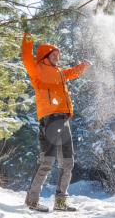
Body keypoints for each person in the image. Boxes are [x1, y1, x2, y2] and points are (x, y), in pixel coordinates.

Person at [21, 33, 91, 212]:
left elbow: (70, 73)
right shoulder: (37, 68)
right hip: (50, 119)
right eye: (54, 55)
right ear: (46, 56)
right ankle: (32, 199)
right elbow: (26, 56)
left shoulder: (59, 72)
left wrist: (82, 67)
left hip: (63, 119)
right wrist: (28, 34)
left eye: (58, 56)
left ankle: (60, 201)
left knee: (68, 161)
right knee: (47, 161)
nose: (57, 58)